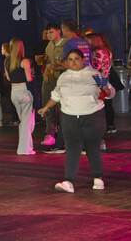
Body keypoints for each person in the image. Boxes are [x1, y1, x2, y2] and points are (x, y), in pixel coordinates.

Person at [38, 49, 114, 193]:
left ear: (83, 59)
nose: (73, 62)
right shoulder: (63, 77)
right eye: (70, 59)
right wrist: (46, 107)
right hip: (69, 117)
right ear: (66, 62)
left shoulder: (94, 74)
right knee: (72, 149)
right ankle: (68, 181)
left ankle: (98, 179)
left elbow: (109, 91)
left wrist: (107, 90)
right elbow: (56, 95)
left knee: (92, 148)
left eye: (76, 58)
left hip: (93, 115)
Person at [5, 38, 36, 155]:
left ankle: (25, 147)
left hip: (14, 92)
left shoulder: (7, 61)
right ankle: (25, 149)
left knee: (24, 121)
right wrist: (32, 74)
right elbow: (29, 78)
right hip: (24, 90)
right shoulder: (24, 61)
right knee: (27, 123)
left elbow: (8, 78)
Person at [39, 24, 65, 150]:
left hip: (62, 79)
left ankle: (63, 133)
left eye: (51, 32)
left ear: (59, 31)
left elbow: (70, 63)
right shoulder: (49, 45)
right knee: (47, 104)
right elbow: (48, 61)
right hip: (49, 78)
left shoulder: (66, 44)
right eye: (47, 32)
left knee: (62, 106)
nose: (49, 35)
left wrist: (56, 66)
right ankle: (50, 133)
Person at [85, 32, 117, 134]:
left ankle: (98, 133)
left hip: (98, 81)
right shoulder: (107, 50)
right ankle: (107, 127)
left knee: (96, 108)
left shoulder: (98, 52)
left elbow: (96, 69)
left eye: (88, 40)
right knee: (104, 106)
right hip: (105, 80)